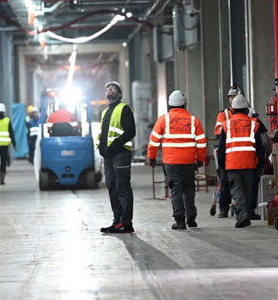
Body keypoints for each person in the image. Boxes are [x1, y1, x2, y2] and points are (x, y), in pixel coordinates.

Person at [148, 90, 207, 230]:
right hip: (188, 162)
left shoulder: (164, 120)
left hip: (171, 162)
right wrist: (200, 159)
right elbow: (202, 142)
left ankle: (180, 221)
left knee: (176, 190)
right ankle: (191, 218)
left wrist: (151, 158)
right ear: (184, 104)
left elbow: (154, 141)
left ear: (170, 104)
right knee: (189, 189)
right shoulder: (193, 120)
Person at [216, 95, 266, 228]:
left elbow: (221, 148)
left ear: (233, 109)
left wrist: (222, 165)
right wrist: (261, 163)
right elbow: (259, 147)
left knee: (237, 190)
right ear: (246, 109)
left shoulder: (226, 125)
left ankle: (243, 215)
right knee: (247, 189)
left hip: (232, 164)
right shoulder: (253, 124)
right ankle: (246, 213)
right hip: (249, 163)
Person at [96, 81, 136, 234]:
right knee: (112, 187)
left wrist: (115, 145)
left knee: (122, 187)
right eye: (107, 88)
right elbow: (103, 134)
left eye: (113, 88)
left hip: (120, 154)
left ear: (119, 94)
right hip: (108, 156)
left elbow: (130, 131)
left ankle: (126, 223)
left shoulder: (124, 109)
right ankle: (117, 221)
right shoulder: (105, 112)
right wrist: (101, 148)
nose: (109, 89)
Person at [212, 85, 243, 218]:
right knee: (224, 181)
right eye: (230, 97)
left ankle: (243, 208)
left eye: (234, 96)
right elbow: (218, 130)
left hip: (240, 151)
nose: (232, 99)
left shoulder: (248, 112)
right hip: (227, 152)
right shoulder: (222, 115)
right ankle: (223, 208)